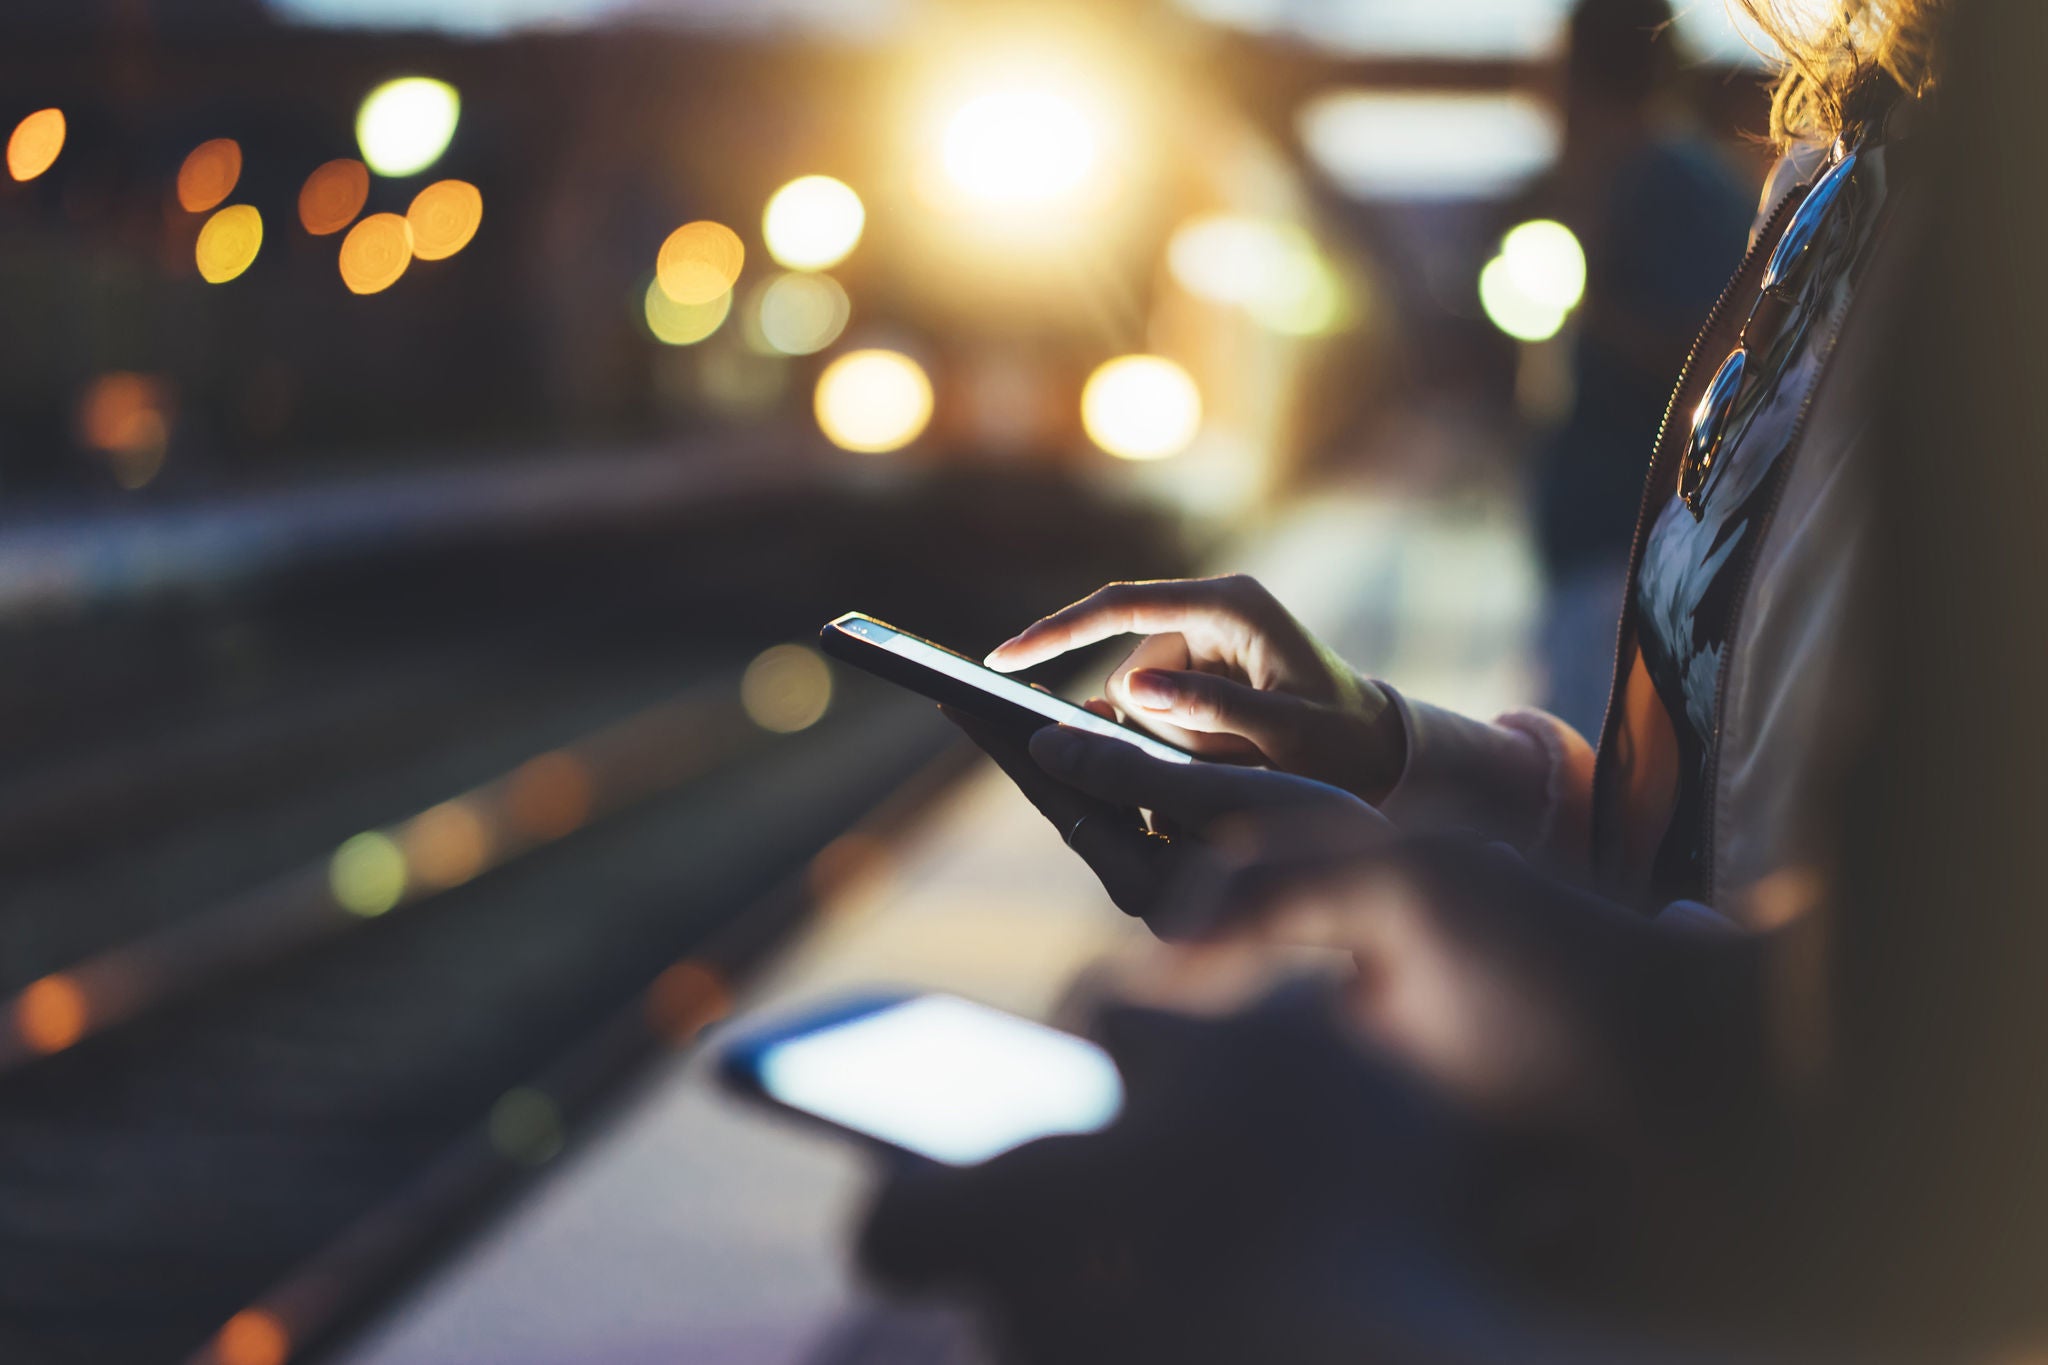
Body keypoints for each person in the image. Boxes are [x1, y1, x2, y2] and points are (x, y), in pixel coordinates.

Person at [852, 0, 1960, 1357]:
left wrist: (1379, 1283)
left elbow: (1950, 1104)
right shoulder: (1843, 176)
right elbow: (1719, 836)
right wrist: (1397, 764)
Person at [1527, 0, 1757, 738]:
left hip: (1628, 565)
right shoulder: (1646, 179)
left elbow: (1704, 348)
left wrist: (1592, 313)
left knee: (1591, 796)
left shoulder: (1667, 185)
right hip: (1618, 560)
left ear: (1580, 71)